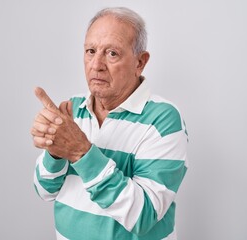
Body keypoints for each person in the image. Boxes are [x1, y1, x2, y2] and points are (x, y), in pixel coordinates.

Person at [31, 7, 188, 240]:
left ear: (140, 62)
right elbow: (44, 191)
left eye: (112, 53)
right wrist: (54, 154)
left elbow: (143, 216)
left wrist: (81, 152)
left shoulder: (164, 119)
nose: (96, 65)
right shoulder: (72, 110)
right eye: (90, 51)